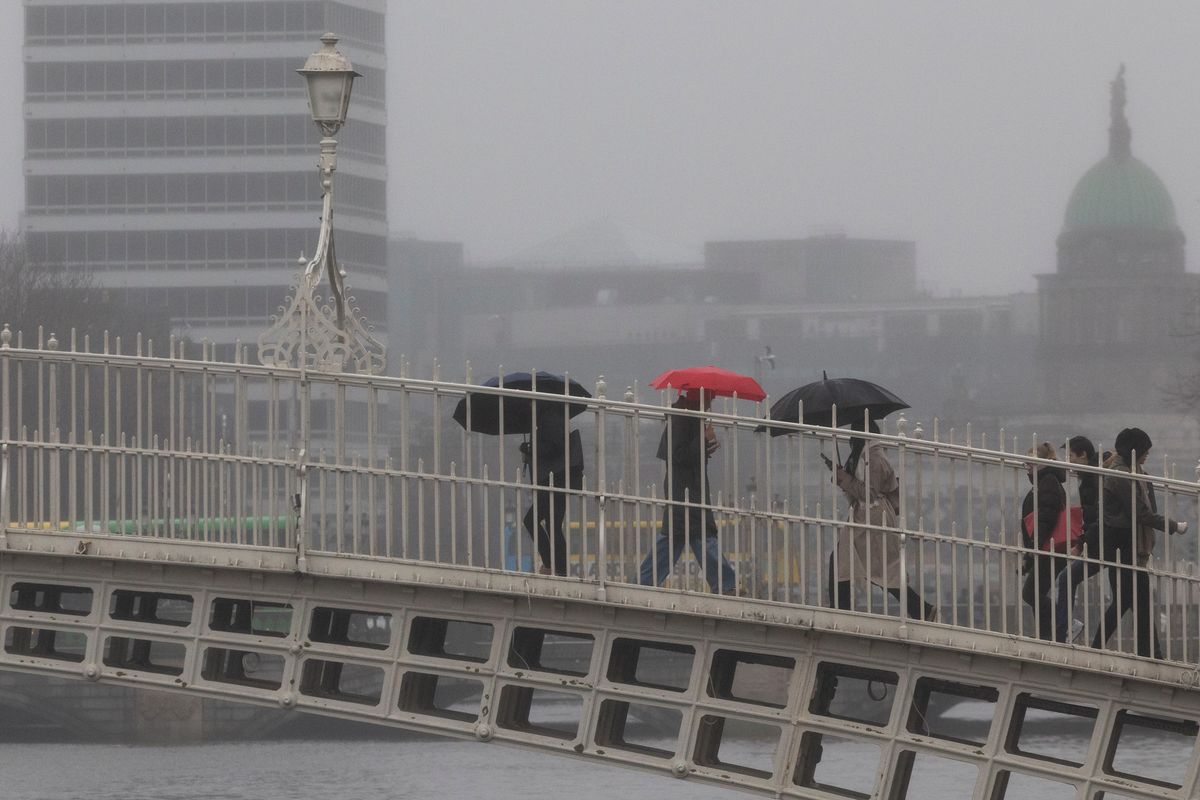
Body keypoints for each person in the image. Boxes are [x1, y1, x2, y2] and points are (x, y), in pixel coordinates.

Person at [1090, 427, 1186, 658]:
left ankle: (1151, 651)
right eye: (1145, 451)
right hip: (1125, 546)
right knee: (1131, 601)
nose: (1147, 456)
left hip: (1125, 545)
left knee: (1138, 601)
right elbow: (1140, 513)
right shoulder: (1122, 476)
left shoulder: (1129, 472)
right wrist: (1174, 526)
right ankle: (1103, 648)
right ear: (1135, 450)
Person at [828, 420, 935, 621]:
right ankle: (920, 609)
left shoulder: (873, 458)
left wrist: (845, 479)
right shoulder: (867, 456)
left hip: (873, 515)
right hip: (866, 515)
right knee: (856, 562)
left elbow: (869, 493)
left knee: (869, 566)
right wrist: (843, 478)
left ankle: (840, 610)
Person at [638, 389, 737, 594]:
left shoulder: (688, 417)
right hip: (686, 490)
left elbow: (687, 454)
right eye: (709, 399)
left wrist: (706, 444)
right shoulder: (681, 419)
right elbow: (680, 455)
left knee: (675, 538)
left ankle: (643, 583)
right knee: (700, 533)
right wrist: (703, 439)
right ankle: (725, 584)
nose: (711, 404)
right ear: (698, 399)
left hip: (687, 488)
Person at [521, 400, 584, 576]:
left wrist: (533, 448)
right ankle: (559, 569)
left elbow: (556, 446)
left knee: (533, 521)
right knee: (553, 526)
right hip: (553, 482)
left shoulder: (551, 419)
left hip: (555, 482)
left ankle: (552, 565)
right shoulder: (548, 419)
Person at [1054, 435, 1102, 643]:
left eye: (1071, 456)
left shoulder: (1092, 480)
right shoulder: (1092, 476)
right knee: (1128, 599)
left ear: (1083, 455)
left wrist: (1081, 543)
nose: (1068, 461)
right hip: (1100, 541)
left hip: (1100, 543)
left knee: (1066, 578)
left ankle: (1063, 631)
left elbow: (1098, 516)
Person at [1020, 442, 1067, 641]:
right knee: (1035, 594)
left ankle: (1063, 625)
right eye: (1027, 464)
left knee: (1031, 594)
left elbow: (1047, 515)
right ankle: (1048, 636)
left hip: (1048, 548)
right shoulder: (1044, 482)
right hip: (1045, 547)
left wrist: (1035, 545)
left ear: (1044, 463)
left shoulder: (1047, 482)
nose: (1028, 469)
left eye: (1032, 464)